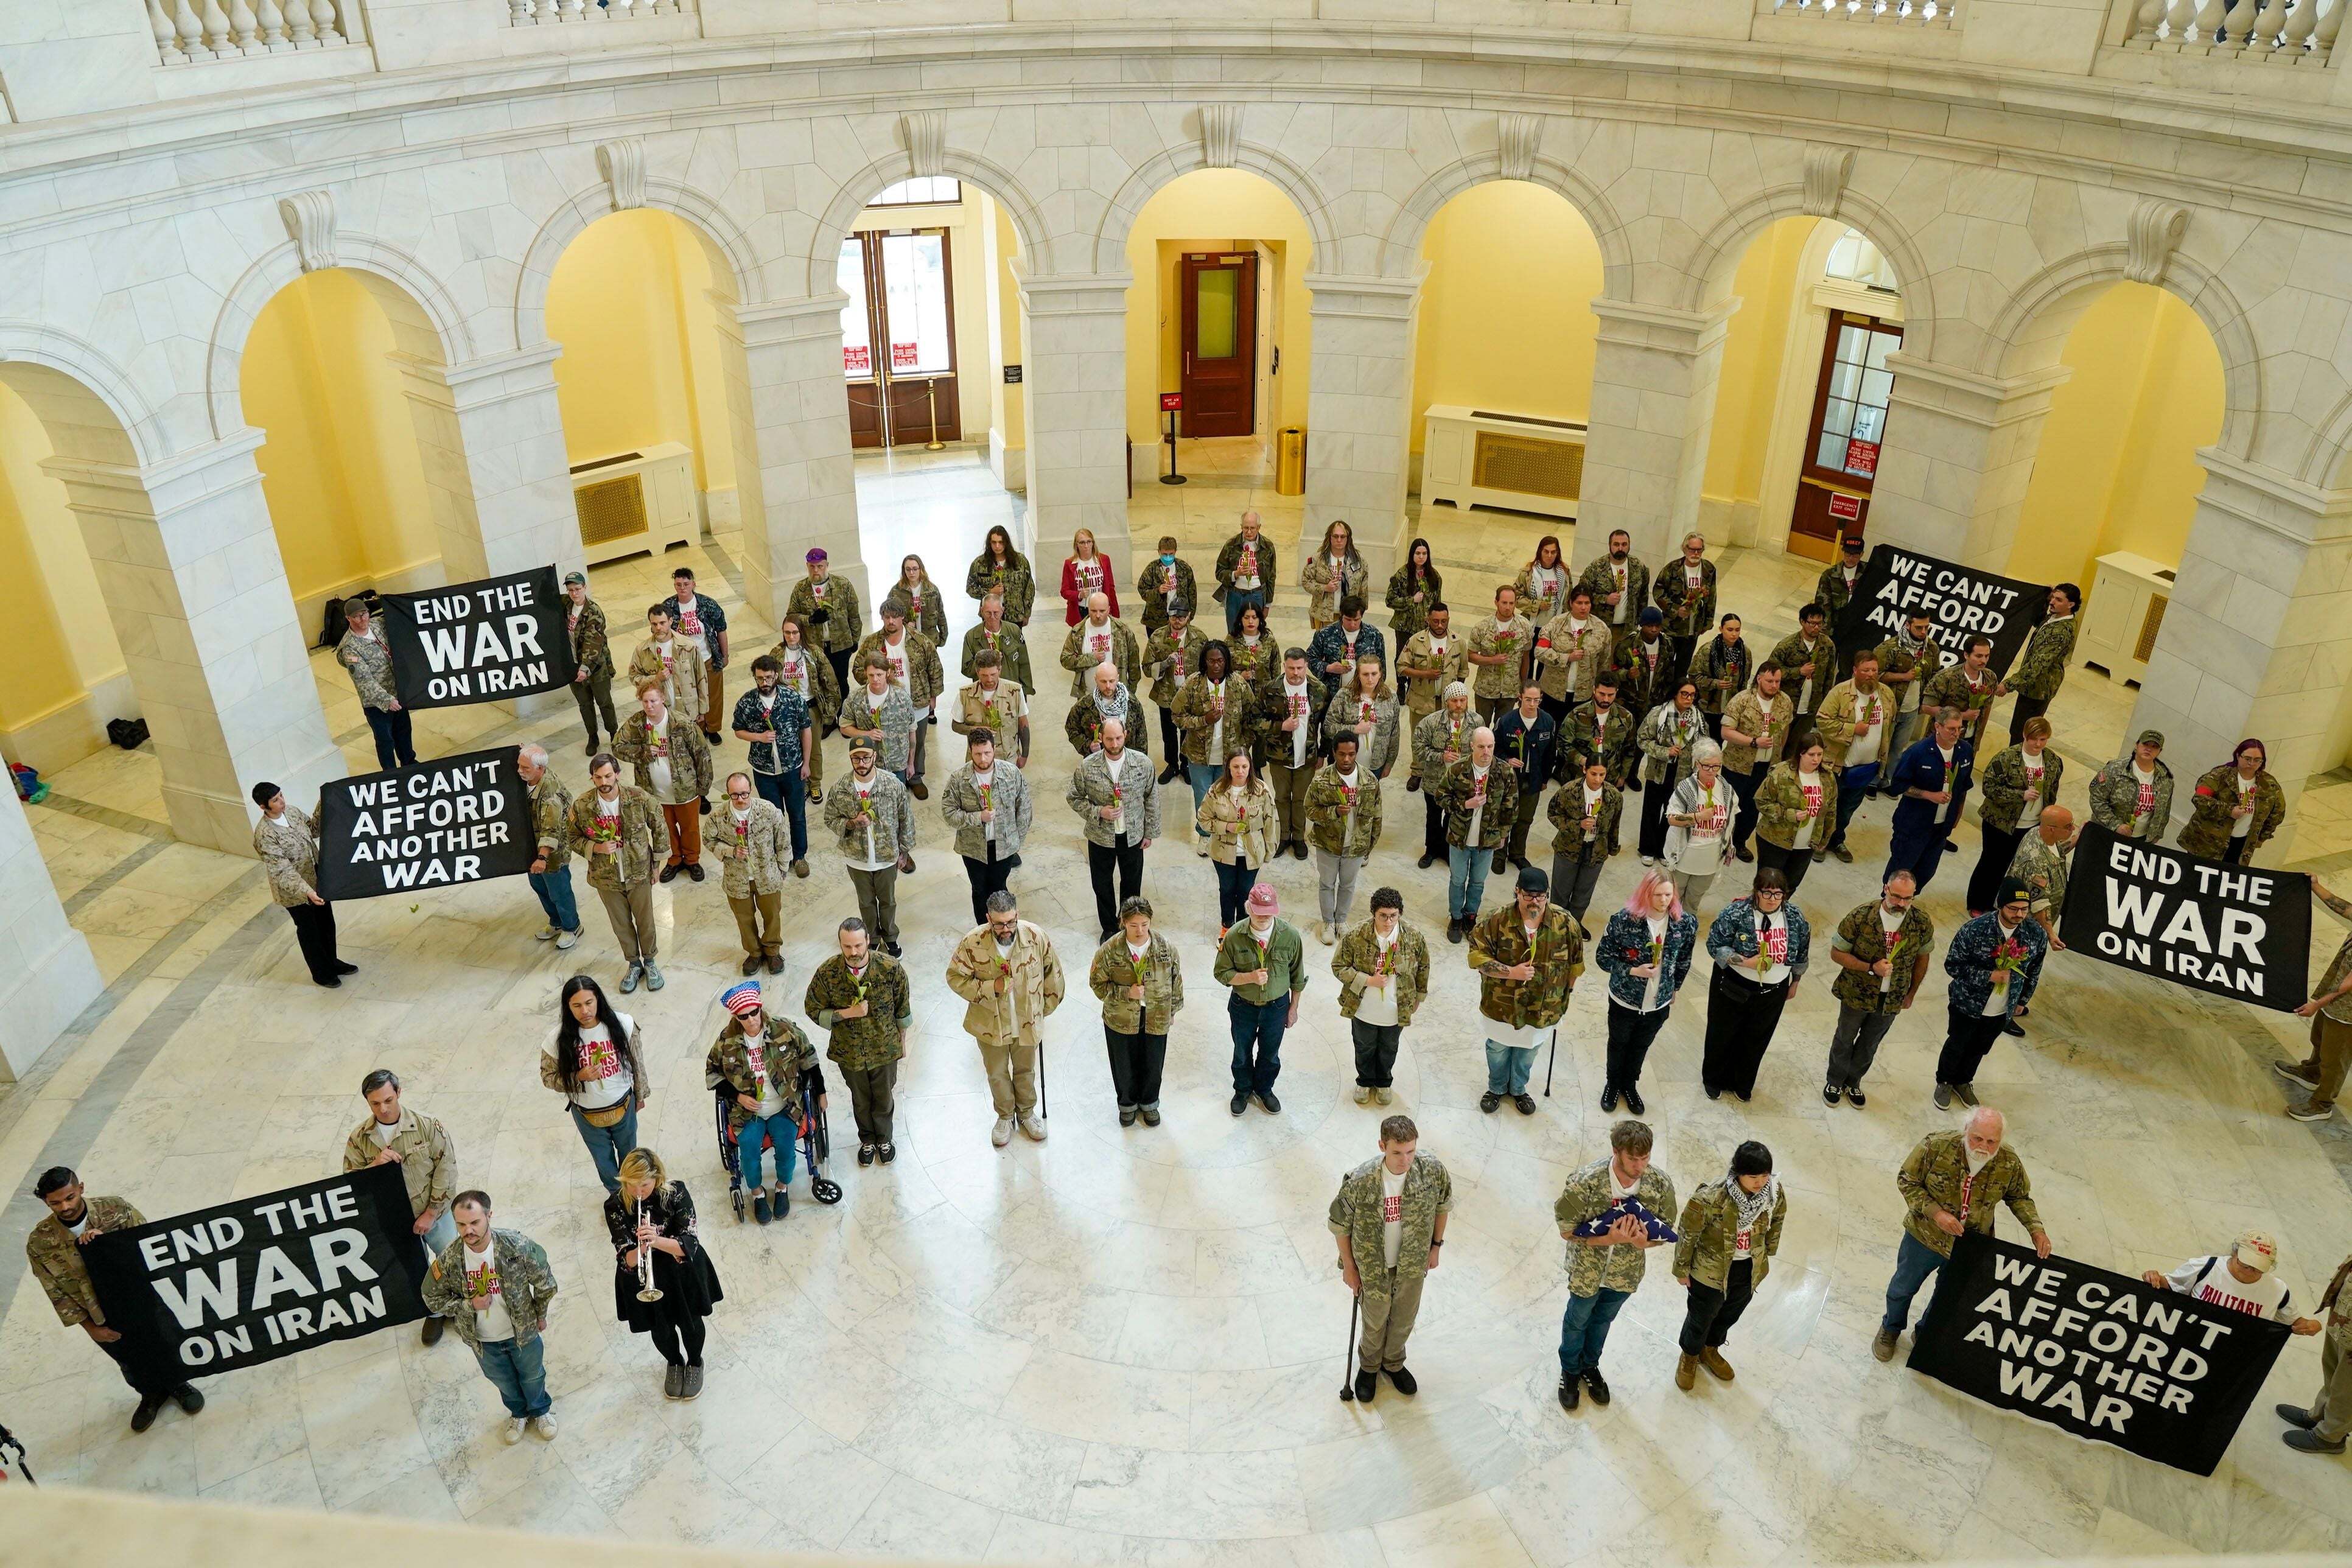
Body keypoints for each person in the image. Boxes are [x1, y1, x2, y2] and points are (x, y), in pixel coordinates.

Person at [27, 1168, 202, 1433]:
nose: (65, 1207)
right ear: (46, 1202)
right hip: (100, 1313)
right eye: (56, 1203)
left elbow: (151, 1245)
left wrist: (110, 1243)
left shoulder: (115, 1209)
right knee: (127, 1358)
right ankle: (150, 1394)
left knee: (162, 1341)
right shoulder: (40, 1243)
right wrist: (91, 1328)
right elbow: (56, 1292)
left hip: (140, 1298)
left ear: (82, 1188)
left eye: (70, 1197)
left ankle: (177, 1384)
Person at [1875, 1106, 2049, 1361]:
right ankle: (1890, 1328)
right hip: (1924, 1237)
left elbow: (2020, 1197)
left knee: (1947, 1295)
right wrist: (1936, 1213)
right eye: (1977, 1138)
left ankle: (1925, 1333)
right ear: (1966, 1129)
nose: (1984, 1147)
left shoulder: (2008, 1161)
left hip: (1971, 1244)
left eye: (1992, 1142)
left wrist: (2036, 1229)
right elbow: (1907, 1180)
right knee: (1903, 1287)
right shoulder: (1936, 1146)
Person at [1553, 1120, 1677, 1411]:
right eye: (1633, 1158)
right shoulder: (1585, 1181)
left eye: (1645, 1158)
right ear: (1616, 1151)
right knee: (1578, 1319)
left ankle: (1590, 1366)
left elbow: (1666, 1230)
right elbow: (1567, 1230)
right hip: (1587, 1271)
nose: (1640, 1166)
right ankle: (1570, 1371)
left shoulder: (1659, 1184)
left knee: (1602, 1321)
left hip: (1624, 1274)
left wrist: (1643, 1244)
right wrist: (1608, 1238)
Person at [1329, 1115, 1451, 1403]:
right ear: (1382, 1145)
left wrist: (1436, 1247)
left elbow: (1443, 1205)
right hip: (1373, 1268)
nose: (1405, 1160)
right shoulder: (1361, 1180)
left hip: (1412, 1263)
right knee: (1375, 1321)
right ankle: (1369, 1367)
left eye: (1411, 1151)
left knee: (1404, 1319)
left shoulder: (1431, 1171)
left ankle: (1393, 1362)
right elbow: (1339, 1225)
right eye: (1397, 1152)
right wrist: (1349, 1266)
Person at [421, 1191, 559, 1443]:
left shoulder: (516, 1245)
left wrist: (540, 1313)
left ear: (489, 1216)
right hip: (484, 1340)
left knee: (533, 1375)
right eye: (461, 1224)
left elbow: (546, 1282)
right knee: (503, 1381)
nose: (468, 1230)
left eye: (475, 1222)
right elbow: (431, 1297)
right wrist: (468, 1305)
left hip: (522, 1333)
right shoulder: (451, 1259)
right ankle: (518, 1413)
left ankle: (540, 1410)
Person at [340, 1068, 458, 1344]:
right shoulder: (360, 1139)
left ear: (398, 1093)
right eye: (375, 1103)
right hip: (396, 1220)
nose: (383, 1108)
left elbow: (447, 1169)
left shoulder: (427, 1126)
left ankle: (462, 1304)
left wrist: (431, 1213)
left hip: (435, 1214)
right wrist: (374, 1166)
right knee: (417, 1269)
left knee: (452, 1258)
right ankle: (436, 1309)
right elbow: (352, 1184)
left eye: (388, 1100)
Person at [946, 891, 1066, 1146]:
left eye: (1011, 922)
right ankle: (1004, 1116)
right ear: (988, 918)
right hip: (991, 1024)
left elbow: (1053, 973)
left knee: (1025, 1070)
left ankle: (1026, 1113)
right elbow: (956, 978)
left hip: (1026, 1021)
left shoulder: (1035, 936)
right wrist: (992, 988)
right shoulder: (972, 942)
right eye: (999, 923)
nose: (1006, 929)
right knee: (997, 1073)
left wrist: (1043, 1009)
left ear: (1017, 915)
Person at [606, 1147, 723, 1399]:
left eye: (644, 1185)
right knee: (660, 1328)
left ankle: (694, 1362)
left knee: (690, 1322)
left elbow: (689, 1243)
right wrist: (641, 1248)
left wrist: (655, 1240)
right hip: (644, 1275)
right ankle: (674, 1362)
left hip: (680, 1271)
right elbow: (625, 1258)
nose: (638, 1192)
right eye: (631, 1186)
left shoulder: (676, 1193)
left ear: (657, 1177)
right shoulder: (615, 1204)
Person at [704, 981, 824, 1222]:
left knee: (787, 1150)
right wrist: (738, 1096)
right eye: (744, 1016)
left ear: (760, 1008)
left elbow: (809, 1058)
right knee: (748, 1152)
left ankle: (782, 1188)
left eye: (754, 1012)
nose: (751, 1020)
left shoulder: (784, 1030)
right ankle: (758, 1194)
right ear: (737, 1017)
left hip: (785, 1107)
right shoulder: (726, 1042)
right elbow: (712, 1073)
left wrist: (820, 1091)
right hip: (747, 1113)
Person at [1470, 866, 1585, 1115]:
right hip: (1503, 1005)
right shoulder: (1497, 920)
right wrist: (1512, 972)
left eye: (1540, 896)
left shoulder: (1565, 923)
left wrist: (1566, 995)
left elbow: (1576, 964)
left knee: (1528, 1052)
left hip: (1542, 1007)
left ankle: (1519, 1088)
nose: (1535, 902)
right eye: (1528, 895)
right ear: (1517, 891)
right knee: (1498, 1048)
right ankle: (1497, 1087)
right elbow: (1477, 957)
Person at [1671, 1141, 1785, 1391]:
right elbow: (1688, 1233)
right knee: (1701, 1316)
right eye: (1753, 1176)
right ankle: (1689, 1355)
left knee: (1730, 1313)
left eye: (1765, 1176)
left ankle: (1710, 1349)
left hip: (1747, 1270)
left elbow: (1777, 1218)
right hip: (1710, 1272)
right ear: (1738, 1173)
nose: (1760, 1182)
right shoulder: (1710, 1198)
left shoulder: (1773, 1193)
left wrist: (1769, 1250)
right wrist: (1682, 1270)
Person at [805, 917, 914, 1164]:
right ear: (840, 945)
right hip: (850, 1051)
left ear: (868, 941)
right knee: (861, 1099)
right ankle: (867, 1139)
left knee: (884, 1097)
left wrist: (902, 1043)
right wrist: (846, 1014)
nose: (853, 952)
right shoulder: (828, 973)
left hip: (884, 1048)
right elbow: (812, 1008)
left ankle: (885, 1138)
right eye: (847, 947)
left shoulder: (890, 969)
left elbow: (902, 1008)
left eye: (858, 946)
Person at [1935, 879, 2048, 1109]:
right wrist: (1988, 976)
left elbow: (2035, 968)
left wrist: (2022, 1000)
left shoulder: (2034, 934)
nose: (2019, 915)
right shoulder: (1976, 929)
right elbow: (1953, 965)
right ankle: (1945, 1081)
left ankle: (1964, 1082)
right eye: (2013, 909)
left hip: (2001, 1008)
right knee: (1958, 1043)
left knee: (1980, 1047)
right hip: (1968, 1003)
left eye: (2024, 909)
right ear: (2000, 906)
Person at [1699, 870, 1810, 1102]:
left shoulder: (1795, 917)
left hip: (1773, 991)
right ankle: (1713, 1079)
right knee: (1723, 1034)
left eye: (1778, 894)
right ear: (1756, 891)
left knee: (1757, 1038)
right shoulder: (1736, 912)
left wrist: (1796, 981)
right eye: (1766, 892)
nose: (1772, 899)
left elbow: (1802, 952)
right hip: (1733, 986)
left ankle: (1743, 1082)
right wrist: (1745, 962)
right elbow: (1715, 945)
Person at [1824, 870, 1932, 1107]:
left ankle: (1853, 1082)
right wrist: (1870, 967)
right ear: (1886, 889)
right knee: (1845, 1037)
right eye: (1896, 897)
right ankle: (1835, 1080)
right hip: (1857, 992)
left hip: (1893, 997)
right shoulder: (1862, 917)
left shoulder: (1920, 922)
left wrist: (1911, 993)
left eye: (1908, 899)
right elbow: (1837, 953)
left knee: (1870, 1042)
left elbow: (1923, 959)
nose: (1901, 904)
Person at [1594, 871, 1698, 1115]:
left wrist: (1675, 987)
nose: (1664, 900)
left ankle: (1629, 1085)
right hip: (1626, 999)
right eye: (1658, 895)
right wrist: (1632, 971)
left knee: (1641, 1045)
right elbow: (1603, 958)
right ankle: (1612, 1084)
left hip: (1657, 1003)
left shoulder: (1685, 923)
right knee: (1619, 1043)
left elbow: (1684, 960)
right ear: (1645, 893)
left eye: (1668, 895)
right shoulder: (1624, 921)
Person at [567, 752, 669, 992]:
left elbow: (659, 826)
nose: (604, 782)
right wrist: (596, 847)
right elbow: (572, 837)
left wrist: (656, 866)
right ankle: (634, 964)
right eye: (598, 777)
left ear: (617, 775)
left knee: (646, 921)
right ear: (592, 778)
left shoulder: (638, 797)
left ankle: (651, 961)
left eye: (608, 776)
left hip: (639, 872)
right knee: (621, 924)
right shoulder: (583, 806)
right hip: (606, 877)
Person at [544, 975, 649, 1194]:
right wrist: (578, 1077)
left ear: (598, 1000)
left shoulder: (623, 1024)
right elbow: (547, 1077)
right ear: (568, 1007)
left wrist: (640, 1096)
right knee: (603, 1160)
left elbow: (637, 1063)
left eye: (589, 1003)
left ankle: (634, 1195)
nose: (585, 1011)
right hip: (587, 1114)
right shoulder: (557, 1039)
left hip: (623, 1104)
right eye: (577, 1005)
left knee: (630, 1154)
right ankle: (617, 1196)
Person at [1089, 895, 1185, 1127]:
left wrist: (1172, 1010)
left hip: (1156, 1014)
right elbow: (1097, 985)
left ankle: (1150, 1102)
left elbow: (1176, 981)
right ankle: (1127, 1104)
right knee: (1123, 1063)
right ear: (1123, 922)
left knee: (1154, 1063)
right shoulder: (1109, 951)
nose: (1140, 931)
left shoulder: (1165, 948)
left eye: (1144, 925)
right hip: (1121, 1017)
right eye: (1133, 926)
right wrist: (1126, 993)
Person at [1215, 881, 1308, 1115]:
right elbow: (1221, 973)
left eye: (1269, 913)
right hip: (1243, 1006)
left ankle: (1265, 1089)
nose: (1264, 917)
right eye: (1259, 913)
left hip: (1277, 1007)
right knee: (1241, 1051)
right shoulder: (1235, 935)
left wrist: (1294, 1008)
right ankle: (1243, 1090)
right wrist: (1249, 977)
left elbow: (1297, 976)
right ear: (1249, 908)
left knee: (1270, 1054)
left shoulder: (1290, 936)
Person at [1334, 887, 1431, 1106]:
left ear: (1400, 913)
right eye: (1383, 916)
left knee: (1389, 1047)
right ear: (1374, 914)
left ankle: (1384, 1082)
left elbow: (1423, 966)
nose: (1388, 922)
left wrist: (1419, 996)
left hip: (1396, 1007)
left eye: (1393, 916)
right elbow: (1339, 966)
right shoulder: (1357, 935)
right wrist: (1367, 981)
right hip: (1364, 1007)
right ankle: (1365, 1081)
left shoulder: (1414, 937)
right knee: (1364, 1046)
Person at [251, 782, 351, 987]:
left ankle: (332, 962)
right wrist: (308, 893)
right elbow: (282, 871)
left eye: (281, 795)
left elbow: (314, 829)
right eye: (276, 800)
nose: (282, 802)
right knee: (310, 931)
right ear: (263, 807)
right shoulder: (265, 836)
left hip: (316, 879)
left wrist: (325, 801)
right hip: (296, 894)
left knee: (326, 924)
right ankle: (321, 973)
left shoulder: (293, 812)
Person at [614, 677, 713, 884]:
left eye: (653, 701)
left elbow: (702, 753)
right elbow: (618, 746)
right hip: (654, 792)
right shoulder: (636, 724)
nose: (649, 706)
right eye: (645, 702)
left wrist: (703, 788)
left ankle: (692, 859)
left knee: (690, 828)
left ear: (663, 699)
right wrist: (641, 752)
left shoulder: (682, 723)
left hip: (685, 790)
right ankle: (674, 859)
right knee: (664, 828)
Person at [824, 738, 916, 957]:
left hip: (886, 856)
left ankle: (891, 937)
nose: (861, 762)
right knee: (865, 902)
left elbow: (906, 818)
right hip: (857, 858)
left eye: (866, 757)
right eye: (856, 758)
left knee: (888, 901)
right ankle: (872, 938)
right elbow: (830, 818)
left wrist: (904, 850)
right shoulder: (841, 788)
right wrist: (852, 823)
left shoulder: (891, 784)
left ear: (875, 756)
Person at [1068, 713, 1158, 939]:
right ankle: (1109, 927)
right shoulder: (1088, 766)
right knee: (1102, 884)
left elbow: (1152, 797)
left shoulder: (1142, 763)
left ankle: (1128, 922)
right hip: (1101, 836)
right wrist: (1099, 812)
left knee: (1131, 882)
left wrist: (1150, 832)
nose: (1115, 744)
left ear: (1126, 736)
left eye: (1119, 738)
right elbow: (1074, 797)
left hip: (1133, 834)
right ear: (1101, 737)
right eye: (1109, 739)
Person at [1967, 716, 2062, 916]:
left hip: (2031, 824)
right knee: (1992, 863)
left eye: (2043, 740)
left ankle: (2001, 903)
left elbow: (2052, 791)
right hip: (2001, 823)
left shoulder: (2053, 761)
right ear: (2025, 736)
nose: (2038, 744)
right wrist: (2021, 795)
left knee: (2016, 868)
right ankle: (1978, 902)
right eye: (2034, 739)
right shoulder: (2007, 757)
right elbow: (1989, 787)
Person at [2277, 878, 2352, 1123]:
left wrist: (2316, 1005)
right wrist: (2315, 886)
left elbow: (2348, 985)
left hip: (2347, 1012)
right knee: (2320, 1038)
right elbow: (2343, 907)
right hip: (2337, 1005)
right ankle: (2311, 1072)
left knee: (2335, 1057)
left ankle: (2322, 1103)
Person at [731, 654, 813, 876]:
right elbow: (738, 730)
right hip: (764, 771)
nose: (764, 683)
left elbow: (806, 729)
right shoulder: (747, 702)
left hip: (792, 768)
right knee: (772, 817)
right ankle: (780, 856)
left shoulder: (791, 698)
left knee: (797, 815)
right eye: (760, 678)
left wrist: (806, 763)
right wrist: (759, 737)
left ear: (776, 675)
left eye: (768, 677)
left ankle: (799, 856)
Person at [941, 727, 1032, 925]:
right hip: (973, 848)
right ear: (971, 751)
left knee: (999, 887)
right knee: (979, 889)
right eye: (978, 754)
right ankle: (983, 929)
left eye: (987, 753)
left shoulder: (1010, 773)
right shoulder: (959, 779)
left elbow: (1024, 808)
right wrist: (978, 817)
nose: (983, 759)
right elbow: (949, 813)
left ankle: (1005, 924)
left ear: (994, 748)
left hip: (1004, 845)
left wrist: (1017, 841)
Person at [2146, 1231, 2322, 1332]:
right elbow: (2170, 1285)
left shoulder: (2277, 1290)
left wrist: (2311, 1326)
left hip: (2233, 1356)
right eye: (2245, 1265)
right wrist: (2154, 1277)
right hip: (2188, 1342)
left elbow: (2294, 1321)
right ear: (2234, 1253)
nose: (2249, 1272)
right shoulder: (2206, 1267)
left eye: (2257, 1269)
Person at [853, 601, 944, 797]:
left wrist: (933, 697)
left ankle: (916, 776)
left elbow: (935, 668)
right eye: (887, 617)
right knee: (890, 743)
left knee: (917, 741)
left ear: (903, 617)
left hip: (916, 701)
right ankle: (887, 776)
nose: (891, 621)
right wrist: (877, 681)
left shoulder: (920, 641)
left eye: (895, 617)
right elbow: (858, 669)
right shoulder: (872, 643)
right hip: (884, 705)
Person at [1439, 725, 1517, 943]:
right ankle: (1455, 917)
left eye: (1490, 746)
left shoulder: (1504, 772)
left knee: (1478, 882)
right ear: (1472, 746)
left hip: (1488, 839)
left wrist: (1503, 834)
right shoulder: (1457, 769)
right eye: (1481, 746)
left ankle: (1470, 916)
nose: (1486, 752)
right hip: (1460, 837)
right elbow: (1441, 797)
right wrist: (1465, 804)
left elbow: (1510, 807)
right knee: (1457, 880)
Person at [1884, 709, 1974, 894]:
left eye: (1959, 728)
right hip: (1914, 825)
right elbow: (1898, 785)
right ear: (1937, 727)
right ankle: (1888, 902)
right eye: (1951, 729)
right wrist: (1928, 795)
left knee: (1926, 871)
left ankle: (1909, 901)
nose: (1956, 733)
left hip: (1941, 828)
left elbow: (1963, 787)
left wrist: (1956, 816)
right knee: (1900, 872)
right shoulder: (1918, 752)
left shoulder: (1965, 751)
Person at [1815, 649, 1891, 866]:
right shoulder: (1840, 693)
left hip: (1866, 766)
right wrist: (1852, 729)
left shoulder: (1885, 695)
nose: (1871, 675)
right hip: (1839, 765)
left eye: (1874, 670)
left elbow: (1888, 727)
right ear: (1855, 670)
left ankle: (1838, 840)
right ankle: (1820, 841)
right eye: (1866, 670)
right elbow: (1823, 721)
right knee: (1828, 806)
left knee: (1848, 808)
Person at [1305, 733, 1380, 943]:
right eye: (1341, 754)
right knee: (1327, 884)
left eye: (1351, 754)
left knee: (1348, 884)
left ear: (1357, 752)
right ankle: (1328, 922)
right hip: (1328, 843)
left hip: (1355, 845)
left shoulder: (1369, 781)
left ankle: (1342, 921)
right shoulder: (1322, 779)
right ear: (1334, 753)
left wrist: (1369, 845)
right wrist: (1333, 812)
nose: (1346, 759)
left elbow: (1377, 815)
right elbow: (1310, 810)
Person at [2277, 1250, 2352, 1455]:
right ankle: (2320, 1415)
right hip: (2346, 1314)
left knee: (2348, 1387)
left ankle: (2330, 1436)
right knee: (2333, 1369)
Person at [716, 771, 789, 976]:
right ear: (728, 794)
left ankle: (773, 951)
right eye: (735, 795)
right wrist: (730, 852)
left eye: (744, 794)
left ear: (751, 791)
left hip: (767, 875)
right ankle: (754, 953)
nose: (740, 799)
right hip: (737, 879)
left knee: (772, 915)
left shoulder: (768, 810)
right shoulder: (719, 816)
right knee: (744, 918)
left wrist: (783, 867)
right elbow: (709, 841)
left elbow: (783, 839)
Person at [1199, 750, 1276, 936]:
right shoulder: (1217, 791)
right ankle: (1227, 926)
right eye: (1236, 767)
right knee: (1226, 889)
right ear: (1228, 768)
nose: (1240, 771)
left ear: (1250, 767)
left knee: (1246, 891)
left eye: (1244, 767)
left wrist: (1269, 850)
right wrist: (1227, 827)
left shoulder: (1261, 791)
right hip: (1222, 852)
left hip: (1252, 852)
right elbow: (1203, 819)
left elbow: (1270, 821)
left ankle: (1242, 928)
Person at [1718, 660, 1789, 861]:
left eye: (1778, 681)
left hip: (1765, 767)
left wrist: (1779, 753)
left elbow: (1785, 731)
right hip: (1738, 765)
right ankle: (1721, 841)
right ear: (1759, 679)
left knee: (1752, 808)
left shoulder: (1784, 702)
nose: (1774, 686)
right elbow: (1726, 732)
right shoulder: (1742, 700)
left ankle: (1740, 843)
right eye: (1770, 681)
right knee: (1730, 805)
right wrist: (1753, 742)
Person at [1174, 639, 1241, 848]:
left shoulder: (1237, 684)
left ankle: (1222, 831)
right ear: (1205, 662)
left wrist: (1243, 745)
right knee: (1203, 795)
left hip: (1228, 754)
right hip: (1199, 753)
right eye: (1211, 661)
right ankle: (1204, 834)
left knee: (1226, 795)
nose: (1216, 665)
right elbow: (1177, 715)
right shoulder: (1193, 684)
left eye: (1220, 660)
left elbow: (1251, 713)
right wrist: (1203, 721)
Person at [516, 743, 583, 948]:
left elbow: (551, 830)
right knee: (539, 886)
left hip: (552, 854)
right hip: (532, 846)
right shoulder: (530, 775)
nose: (520, 771)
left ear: (540, 769)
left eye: (525, 768)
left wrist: (542, 858)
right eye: (520, 766)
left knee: (559, 891)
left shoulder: (550, 795)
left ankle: (572, 927)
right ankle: (556, 922)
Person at [1260, 648, 1325, 859]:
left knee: (1301, 799)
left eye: (1299, 668)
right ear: (1284, 666)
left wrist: (1323, 753)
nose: (1296, 673)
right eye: (1291, 668)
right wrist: (1280, 726)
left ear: (1306, 666)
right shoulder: (1271, 690)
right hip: (1279, 757)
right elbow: (1254, 721)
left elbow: (1326, 725)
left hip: (1306, 757)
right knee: (1281, 798)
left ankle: (1299, 838)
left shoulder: (1318, 690)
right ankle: (1284, 837)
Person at [337, 597, 416, 770]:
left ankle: (409, 764)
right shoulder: (350, 649)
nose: (363, 619)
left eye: (365, 613)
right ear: (349, 619)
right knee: (385, 740)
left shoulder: (377, 625)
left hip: (397, 692)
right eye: (357, 616)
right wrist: (387, 700)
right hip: (377, 704)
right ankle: (391, 774)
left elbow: (399, 621)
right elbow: (364, 681)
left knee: (403, 732)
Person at [1751, 733, 1832, 899]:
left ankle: (1779, 912)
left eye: (1820, 754)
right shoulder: (1782, 773)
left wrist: (1825, 837)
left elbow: (1831, 809)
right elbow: (1761, 801)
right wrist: (1789, 814)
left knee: (1791, 884)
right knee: (1768, 884)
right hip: (1775, 841)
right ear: (1801, 753)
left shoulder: (1827, 777)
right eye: (1811, 755)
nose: (1816, 759)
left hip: (1806, 844)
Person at [2180, 739, 2286, 864]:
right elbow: (2200, 799)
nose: (2252, 763)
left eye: (2257, 760)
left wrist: (2259, 838)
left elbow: (2277, 814)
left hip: (2241, 845)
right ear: (2238, 756)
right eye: (2247, 758)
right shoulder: (2219, 775)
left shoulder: (2269, 785)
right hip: (2207, 843)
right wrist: (2229, 811)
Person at [1634, 678, 1705, 864]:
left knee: (1672, 812)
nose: (1689, 698)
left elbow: (1704, 745)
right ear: (1675, 694)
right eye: (1685, 694)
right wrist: (1666, 752)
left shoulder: (1698, 719)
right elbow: (1642, 739)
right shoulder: (1659, 714)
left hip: (1683, 774)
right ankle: (1647, 848)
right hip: (1658, 771)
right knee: (1651, 810)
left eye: (1692, 695)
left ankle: (1663, 848)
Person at [1547, 757, 1624, 926]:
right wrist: (1577, 825)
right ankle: (1556, 926)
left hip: (1596, 850)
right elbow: (1553, 814)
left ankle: (1574, 926)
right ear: (1584, 770)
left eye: (1602, 775)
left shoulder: (1613, 796)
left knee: (1583, 893)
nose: (1598, 779)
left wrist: (1612, 848)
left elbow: (1615, 824)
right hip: (1569, 848)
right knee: (1561, 891)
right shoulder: (1570, 791)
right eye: (1593, 774)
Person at [1871, 612, 1944, 791]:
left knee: (1898, 748)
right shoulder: (1891, 647)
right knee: (1880, 745)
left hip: (1912, 708)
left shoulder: (1931, 648)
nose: (1923, 631)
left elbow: (1935, 675)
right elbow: (1874, 676)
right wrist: (1904, 676)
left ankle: (1888, 780)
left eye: (1927, 627)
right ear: (1908, 625)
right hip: (1889, 706)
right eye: (1919, 627)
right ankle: (1872, 781)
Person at [657, 566, 730, 743]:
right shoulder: (669, 607)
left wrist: (725, 654)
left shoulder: (707, 604)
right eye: (678, 584)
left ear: (693, 584)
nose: (682, 588)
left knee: (713, 695)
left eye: (686, 584)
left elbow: (721, 630)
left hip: (707, 658)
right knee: (691, 696)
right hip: (683, 662)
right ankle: (699, 727)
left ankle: (713, 728)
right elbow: (661, 632)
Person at [1396, 601, 1465, 789]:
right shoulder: (1416, 641)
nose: (1440, 625)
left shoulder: (1458, 642)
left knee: (1447, 737)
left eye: (1444, 621)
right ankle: (1417, 771)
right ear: (1428, 619)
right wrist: (1424, 674)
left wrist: (1457, 698)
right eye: (1435, 621)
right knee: (1419, 737)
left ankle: (1442, 770)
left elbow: (1463, 672)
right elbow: (1401, 667)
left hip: (1446, 704)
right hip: (1421, 699)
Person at [1661, 737, 1732, 915]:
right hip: (1684, 857)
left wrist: (1728, 846)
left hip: (1709, 860)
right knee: (1674, 899)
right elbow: (1671, 818)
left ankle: (1687, 927)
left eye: (1716, 766)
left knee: (1694, 900)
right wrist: (1698, 817)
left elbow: (1731, 819)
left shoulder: (1726, 789)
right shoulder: (1686, 788)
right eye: (1706, 766)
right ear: (1697, 764)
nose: (1711, 771)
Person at [2003, 583, 2079, 746]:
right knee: (2019, 728)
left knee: (2022, 732)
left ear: (2071, 605)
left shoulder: (2061, 631)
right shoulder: (2055, 616)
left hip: (2038, 689)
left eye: (2058, 600)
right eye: (2053, 597)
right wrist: (2043, 596)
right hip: (2032, 686)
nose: (2053, 602)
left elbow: (2037, 666)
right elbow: (2038, 620)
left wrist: (2008, 685)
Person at [1494, 682, 1559, 872]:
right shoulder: (1506, 721)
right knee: (1504, 816)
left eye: (1536, 700)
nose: (1532, 704)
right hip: (1509, 780)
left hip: (1534, 780)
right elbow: (1494, 749)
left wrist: (1545, 779)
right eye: (1528, 699)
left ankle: (1517, 853)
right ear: (1520, 697)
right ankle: (1499, 854)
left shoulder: (1547, 722)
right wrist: (1507, 759)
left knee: (1525, 819)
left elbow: (1550, 753)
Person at [627, 603, 711, 751]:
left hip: (686, 708)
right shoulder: (643, 650)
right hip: (659, 710)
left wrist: (702, 709)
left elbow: (701, 677)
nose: (658, 628)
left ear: (671, 621)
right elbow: (634, 677)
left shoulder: (688, 646)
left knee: (690, 747)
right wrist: (655, 679)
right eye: (654, 624)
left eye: (662, 623)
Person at [1412, 680, 1475, 869]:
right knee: (1433, 816)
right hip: (1435, 780)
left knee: (1452, 816)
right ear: (1447, 702)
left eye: (1462, 700)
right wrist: (1441, 755)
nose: (1459, 705)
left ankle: (1447, 850)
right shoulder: (1431, 722)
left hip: (1460, 782)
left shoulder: (1476, 722)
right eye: (1454, 701)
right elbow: (1418, 747)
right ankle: (1431, 849)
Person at [770, 612, 842, 773]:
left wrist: (830, 712)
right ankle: (800, 781)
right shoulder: (777, 653)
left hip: (810, 707)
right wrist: (781, 688)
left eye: (795, 632)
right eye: (787, 633)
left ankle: (815, 783)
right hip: (787, 709)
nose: (791, 636)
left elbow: (830, 681)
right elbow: (769, 680)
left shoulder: (813, 652)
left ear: (801, 632)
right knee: (793, 747)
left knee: (814, 749)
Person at [786, 547, 861, 699]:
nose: (816, 571)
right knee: (820, 683)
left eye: (820, 566)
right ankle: (827, 720)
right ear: (807, 566)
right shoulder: (800, 589)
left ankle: (843, 718)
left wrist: (855, 639)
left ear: (827, 565)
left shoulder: (843, 585)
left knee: (841, 682)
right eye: (812, 567)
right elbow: (791, 617)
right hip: (814, 646)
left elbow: (854, 615)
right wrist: (811, 619)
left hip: (840, 645)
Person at [1535, 583, 1611, 724]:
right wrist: (1566, 658)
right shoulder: (1556, 624)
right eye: (1579, 603)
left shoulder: (1601, 629)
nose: (1583, 607)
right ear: (1571, 603)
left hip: (1583, 695)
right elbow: (1540, 651)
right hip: (1553, 692)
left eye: (1587, 603)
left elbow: (1604, 663)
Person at [1144, 598, 1202, 780]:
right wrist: (1164, 664)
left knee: (1187, 731)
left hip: (1189, 695)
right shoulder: (1158, 637)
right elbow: (1147, 667)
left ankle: (1185, 764)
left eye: (1182, 617)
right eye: (1174, 616)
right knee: (1168, 732)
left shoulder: (1199, 638)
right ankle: (1171, 764)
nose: (1177, 620)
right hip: (1166, 693)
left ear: (1189, 616)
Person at [1769, 603, 1836, 758]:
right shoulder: (1787, 646)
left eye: (1819, 624)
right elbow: (1771, 673)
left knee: (1798, 746)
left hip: (1811, 706)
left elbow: (1829, 675)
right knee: (1777, 744)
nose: (1816, 627)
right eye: (1812, 623)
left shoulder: (1827, 646)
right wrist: (1798, 672)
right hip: (1787, 704)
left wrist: (1823, 702)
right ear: (1802, 622)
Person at [562, 570, 617, 757]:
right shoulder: (566, 606)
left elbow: (593, 642)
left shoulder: (594, 612)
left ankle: (613, 734)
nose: (574, 593)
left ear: (585, 588)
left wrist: (585, 668)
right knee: (584, 704)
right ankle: (592, 736)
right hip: (573, 667)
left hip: (596, 668)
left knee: (604, 702)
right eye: (570, 590)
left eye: (578, 589)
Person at [2088, 729, 2175, 844]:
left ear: (2160, 751)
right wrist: (2116, 825)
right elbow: (2097, 799)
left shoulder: (2165, 778)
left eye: (2154, 747)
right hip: (2107, 833)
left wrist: (2156, 835)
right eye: (2145, 744)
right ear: (2137, 745)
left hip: (2141, 840)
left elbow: (2165, 811)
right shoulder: (2116, 769)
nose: (2149, 749)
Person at [1920, 632, 2001, 752]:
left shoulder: (1990, 678)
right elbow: (1927, 707)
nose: (1984, 661)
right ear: (1966, 655)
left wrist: (1978, 740)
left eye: (1987, 656)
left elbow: (1987, 709)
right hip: (1942, 740)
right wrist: (1963, 716)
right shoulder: (1947, 677)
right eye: (1979, 656)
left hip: (1969, 742)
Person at [841, 659, 917, 785]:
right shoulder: (856, 699)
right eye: (871, 675)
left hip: (897, 764)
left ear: (888, 673)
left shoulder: (902, 698)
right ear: (866, 673)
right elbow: (844, 728)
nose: (875, 679)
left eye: (879, 675)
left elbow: (912, 731)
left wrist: (911, 764)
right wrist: (867, 734)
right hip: (869, 765)